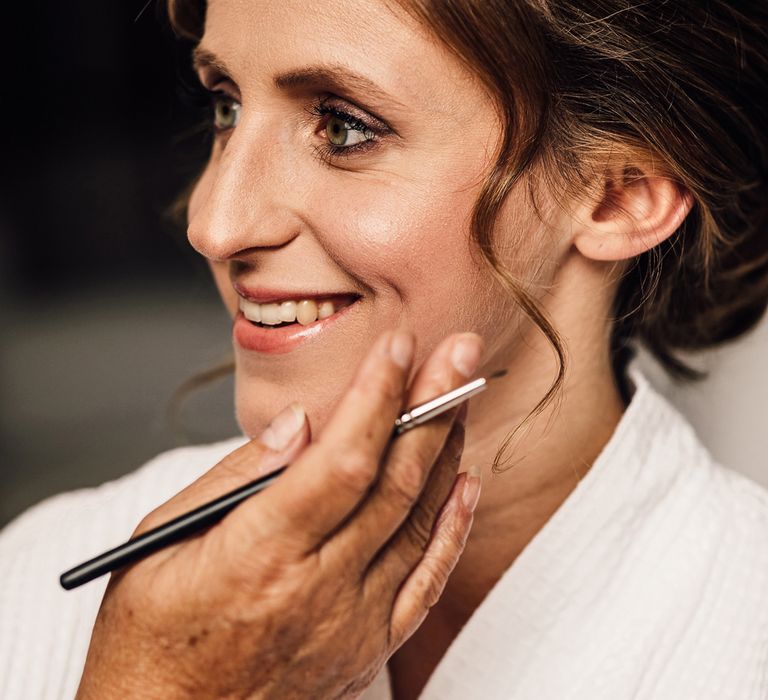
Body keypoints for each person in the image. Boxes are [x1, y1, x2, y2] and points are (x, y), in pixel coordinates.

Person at [2, 0, 767, 698]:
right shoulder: (38, 576)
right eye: (227, 105)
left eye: (342, 127)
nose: (215, 221)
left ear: (620, 191)